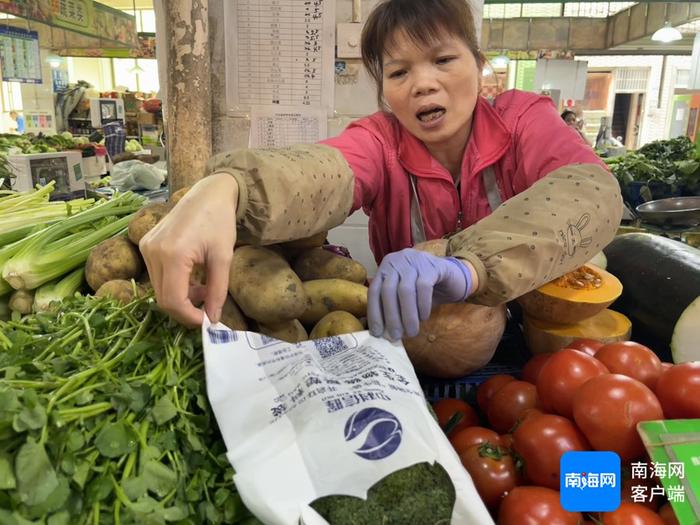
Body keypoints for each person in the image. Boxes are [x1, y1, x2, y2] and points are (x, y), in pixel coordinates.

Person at [140, 0, 622, 341]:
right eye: (399, 72)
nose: (423, 84)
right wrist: (231, 188)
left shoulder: (523, 119)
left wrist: (471, 268)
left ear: (478, 66)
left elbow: (592, 190)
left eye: (444, 60)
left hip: (528, 341)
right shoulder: (380, 141)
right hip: (408, 343)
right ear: (384, 89)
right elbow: (324, 171)